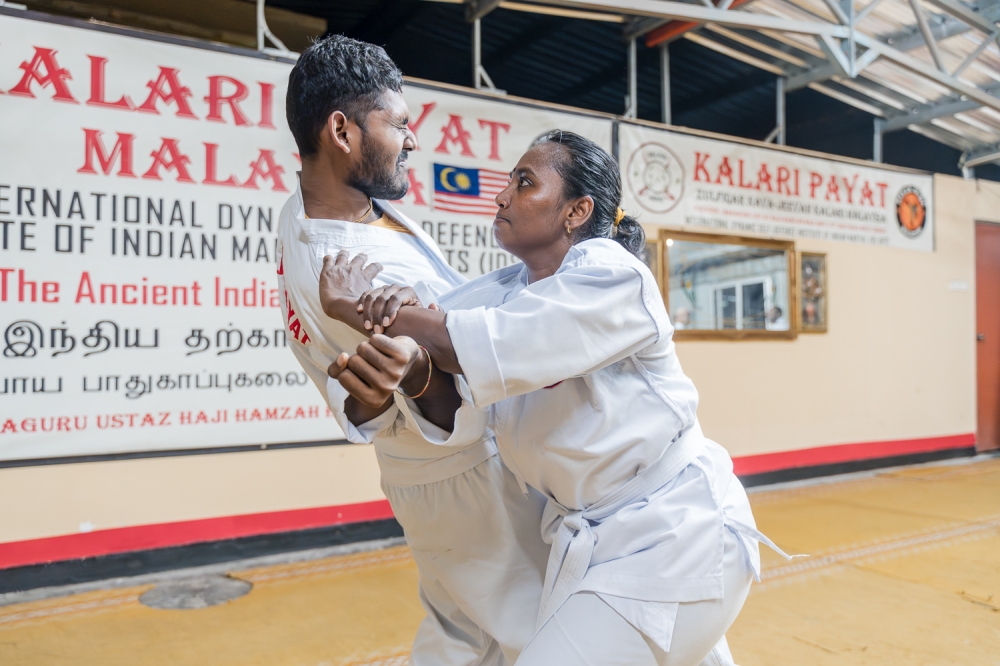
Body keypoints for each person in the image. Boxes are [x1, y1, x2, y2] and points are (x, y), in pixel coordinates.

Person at [319, 131, 790, 665]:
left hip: (674, 534)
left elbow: (458, 339)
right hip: (593, 541)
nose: (502, 197)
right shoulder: (499, 292)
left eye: (525, 183)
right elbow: (433, 358)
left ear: (576, 211)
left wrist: (349, 304)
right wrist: (400, 337)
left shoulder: (614, 278)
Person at [277, 35, 548, 666]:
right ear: (341, 132)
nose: (413, 139)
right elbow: (446, 388)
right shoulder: (350, 269)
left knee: (463, 640)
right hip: (470, 481)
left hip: (432, 481)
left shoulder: (312, 210)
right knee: (541, 637)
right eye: (399, 124)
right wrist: (421, 368)